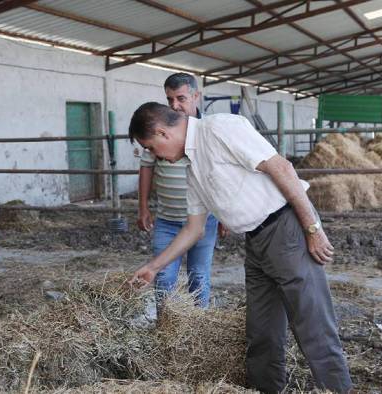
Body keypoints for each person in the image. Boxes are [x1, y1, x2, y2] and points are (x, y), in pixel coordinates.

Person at [128, 102, 352, 393]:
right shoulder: (193, 168)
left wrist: (312, 228)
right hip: (256, 242)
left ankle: (339, 390)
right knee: (261, 332)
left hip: (286, 229)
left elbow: (280, 166)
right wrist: (153, 267)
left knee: (312, 324)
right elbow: (193, 228)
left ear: (162, 133)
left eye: (151, 148)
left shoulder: (220, 128)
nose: (155, 157)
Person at [137, 72, 224, 309]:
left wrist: (224, 215)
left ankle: (199, 325)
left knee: (199, 275)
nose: (175, 105)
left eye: (181, 98)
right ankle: (166, 324)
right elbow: (146, 167)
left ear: (196, 96)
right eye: (170, 99)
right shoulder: (158, 130)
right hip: (168, 218)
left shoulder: (209, 131)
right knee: (163, 276)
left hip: (204, 219)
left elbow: (221, 177)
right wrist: (143, 207)